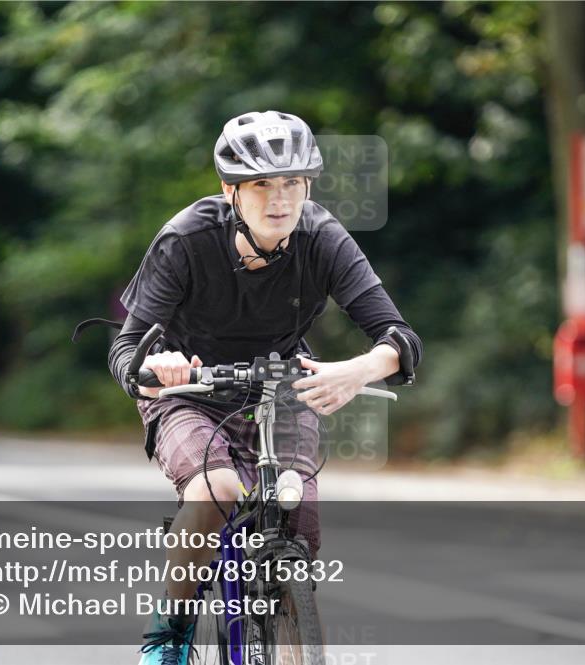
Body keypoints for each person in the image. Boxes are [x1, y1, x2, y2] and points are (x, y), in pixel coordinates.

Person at [108, 110, 422, 665]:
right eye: (261, 185)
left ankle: (290, 624)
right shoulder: (186, 240)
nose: (280, 199)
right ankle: (170, 636)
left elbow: (398, 337)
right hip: (190, 390)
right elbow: (125, 350)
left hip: (280, 384)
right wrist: (159, 366)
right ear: (229, 189)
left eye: (293, 184)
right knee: (219, 491)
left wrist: (359, 369)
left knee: (296, 520)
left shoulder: (322, 237)